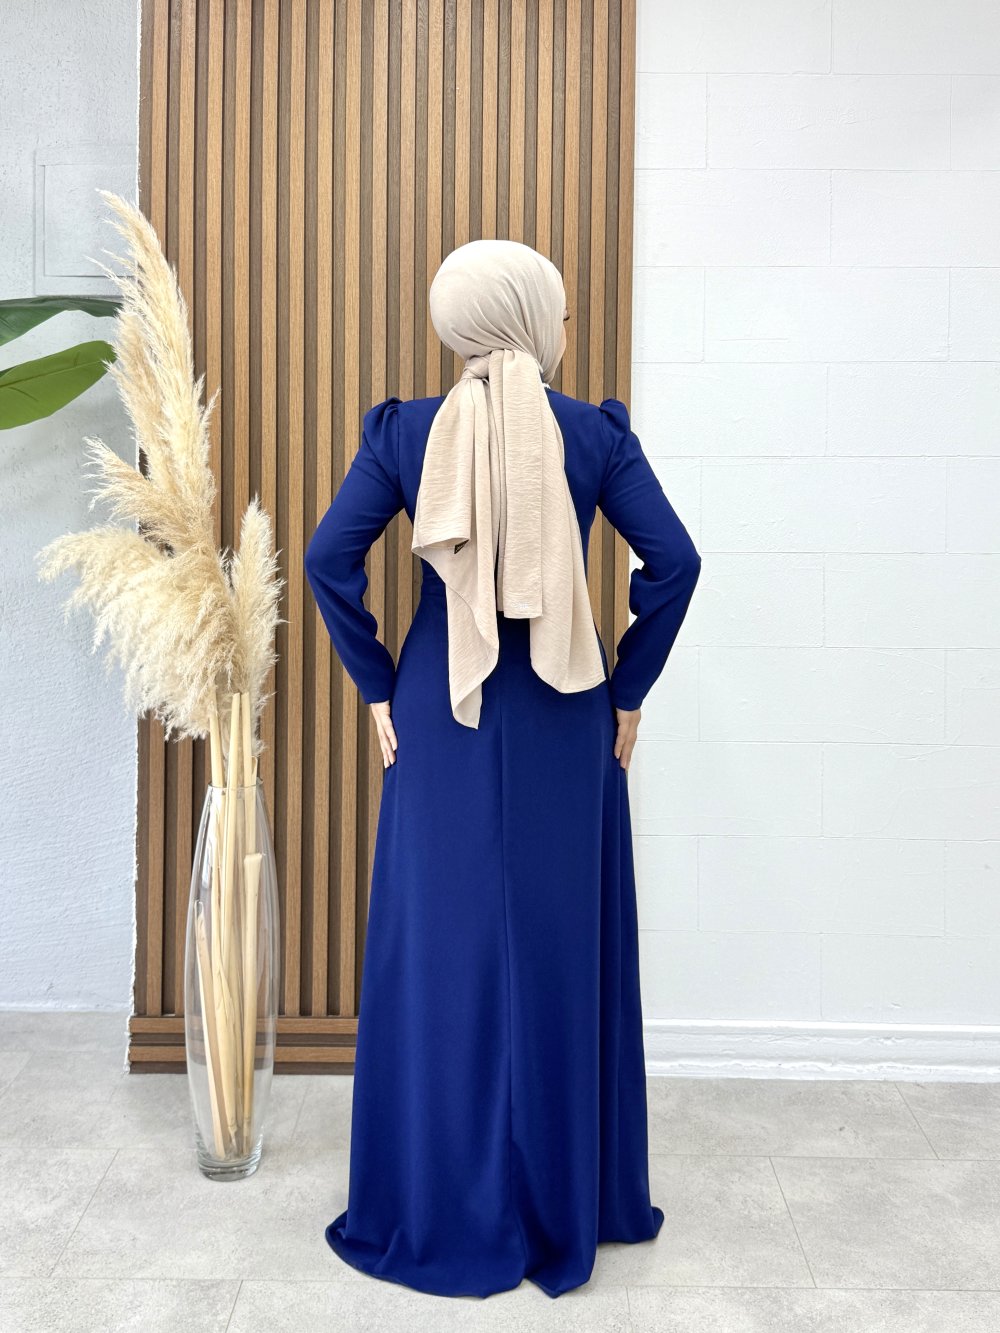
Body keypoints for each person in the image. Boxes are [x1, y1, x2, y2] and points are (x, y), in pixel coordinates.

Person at [304, 238, 701, 1299]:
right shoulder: (592, 434)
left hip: (441, 715)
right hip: (568, 718)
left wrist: (378, 684)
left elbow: (328, 558)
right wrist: (628, 687)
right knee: (560, 949)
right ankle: (573, 1198)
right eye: (558, 312)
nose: (566, 330)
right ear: (525, 318)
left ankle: (445, 1199)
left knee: (442, 951)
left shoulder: (405, 433)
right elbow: (676, 561)